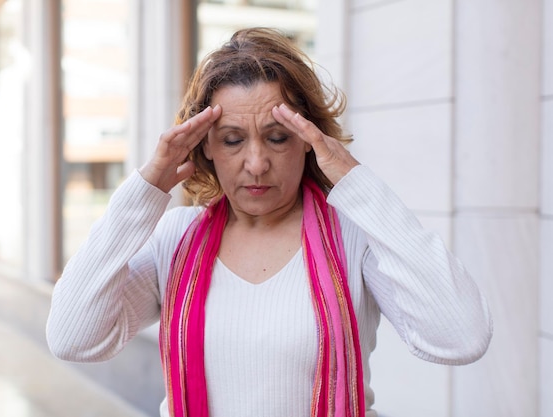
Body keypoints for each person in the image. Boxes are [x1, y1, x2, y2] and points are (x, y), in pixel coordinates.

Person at [46, 27, 492, 417]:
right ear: (204, 148)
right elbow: (73, 338)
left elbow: (460, 337)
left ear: (307, 140)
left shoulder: (354, 237)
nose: (256, 164)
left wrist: (360, 188)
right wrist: (142, 194)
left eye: (277, 138)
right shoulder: (174, 239)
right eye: (233, 140)